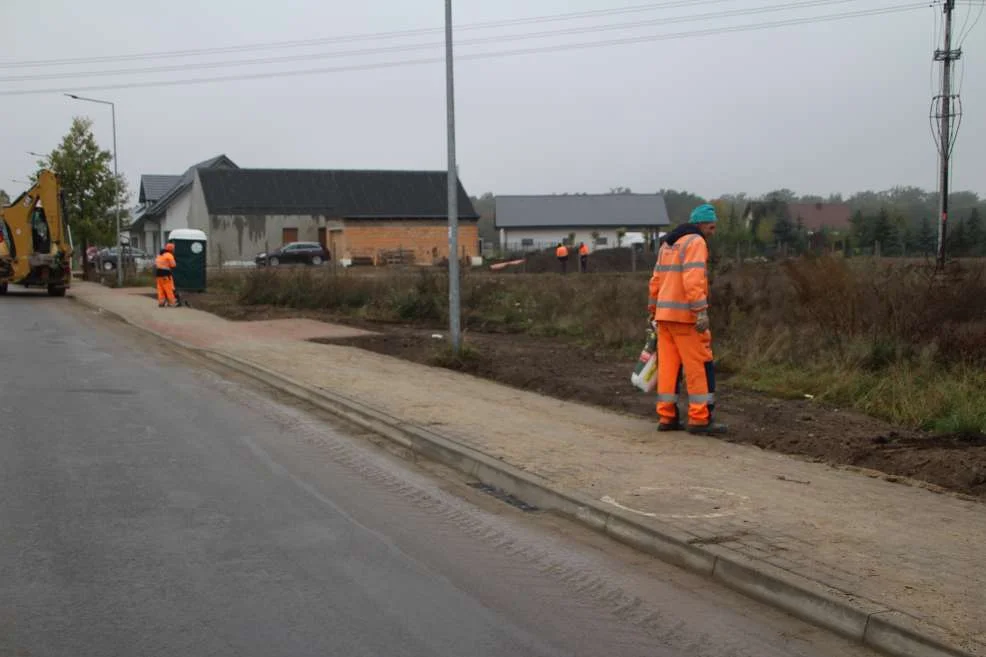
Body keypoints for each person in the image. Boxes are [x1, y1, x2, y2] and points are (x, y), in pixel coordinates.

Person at [647, 204, 726, 435]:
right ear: (701, 223)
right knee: (699, 366)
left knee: (669, 368)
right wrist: (700, 310)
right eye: (711, 226)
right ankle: (700, 418)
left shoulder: (668, 243)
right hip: (686, 317)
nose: (713, 231)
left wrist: (653, 309)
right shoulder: (695, 242)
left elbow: (655, 280)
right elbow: (693, 280)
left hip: (664, 317)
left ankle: (667, 416)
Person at [155, 243, 178, 308]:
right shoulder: (169, 255)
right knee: (168, 289)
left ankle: (161, 303)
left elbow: (157, 264)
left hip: (158, 275)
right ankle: (172, 303)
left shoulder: (159, 255)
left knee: (160, 289)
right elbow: (173, 265)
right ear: (171, 250)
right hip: (166, 275)